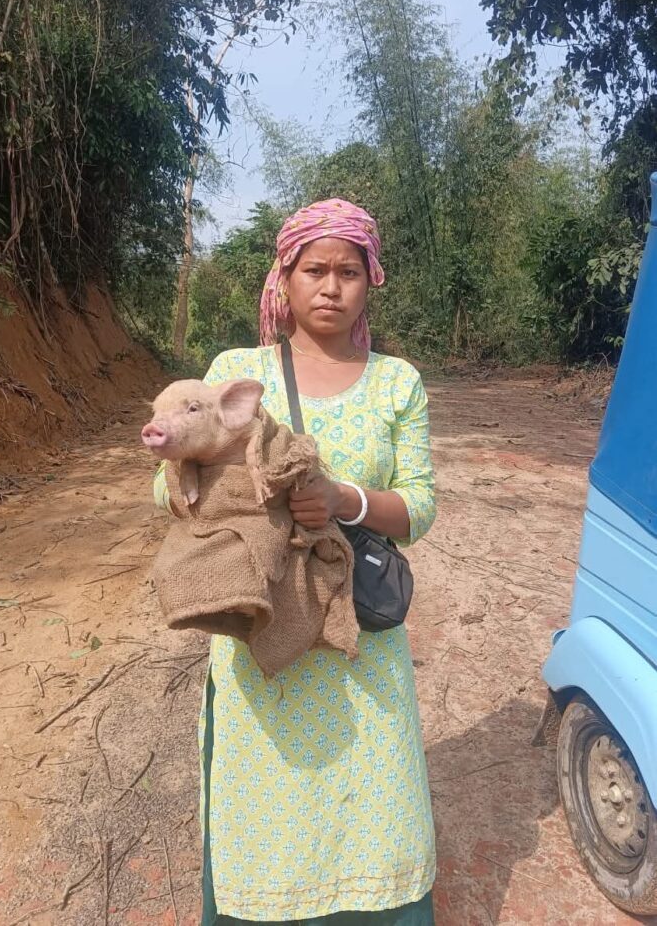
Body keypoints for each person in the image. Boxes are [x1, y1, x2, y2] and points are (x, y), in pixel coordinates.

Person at [154, 198, 437, 925]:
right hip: (263, 640)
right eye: (315, 268)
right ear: (284, 277)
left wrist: (342, 497)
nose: (331, 285)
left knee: (372, 808)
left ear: (371, 280)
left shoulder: (398, 381)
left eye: (349, 270)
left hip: (361, 654)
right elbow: (169, 485)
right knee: (264, 821)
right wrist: (269, 494)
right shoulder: (235, 372)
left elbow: (421, 506)